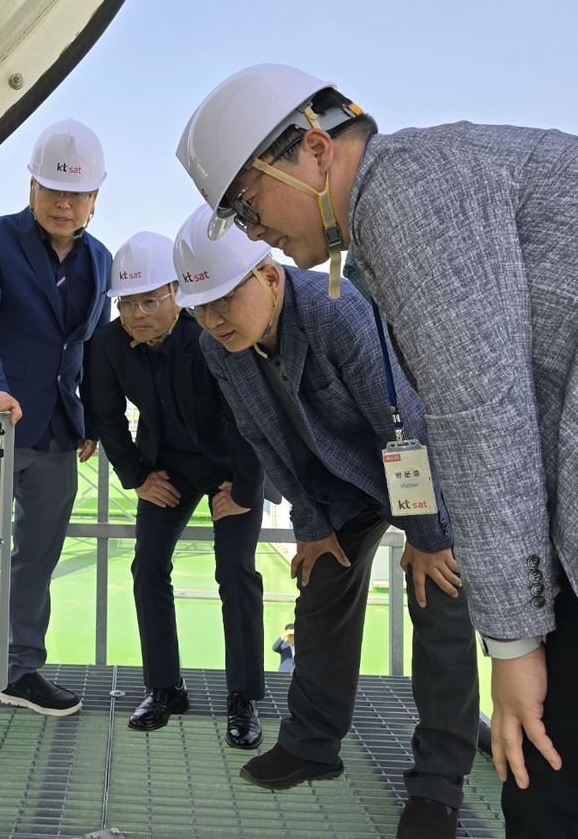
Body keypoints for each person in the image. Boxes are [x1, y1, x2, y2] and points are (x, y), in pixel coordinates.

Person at [176, 64, 578, 838]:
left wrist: (512, 639)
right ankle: (317, 739)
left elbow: (467, 414)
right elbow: (276, 438)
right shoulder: (425, 184)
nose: (253, 231)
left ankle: (439, 777)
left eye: (248, 207)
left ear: (315, 152)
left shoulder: (406, 197)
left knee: (565, 799)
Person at [174, 206, 480, 839]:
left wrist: (424, 540)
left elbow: (401, 430)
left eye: (224, 299)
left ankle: (438, 783)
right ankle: (313, 744)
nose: (211, 319)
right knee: (320, 594)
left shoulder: (337, 311)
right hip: (334, 483)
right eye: (198, 306)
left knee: (438, 598)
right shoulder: (217, 343)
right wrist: (310, 525)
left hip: (413, 463)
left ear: (270, 277)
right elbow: (262, 439)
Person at [0, 120, 114, 763]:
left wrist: (93, 419)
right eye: (52, 191)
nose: (63, 205)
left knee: (35, 558)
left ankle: (18, 671)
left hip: (56, 431)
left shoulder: (100, 260)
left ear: (96, 197)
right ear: (33, 185)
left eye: (77, 195)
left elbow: (91, 347)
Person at [90, 231, 267, 749]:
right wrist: (138, 478)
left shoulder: (210, 334)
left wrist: (245, 488)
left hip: (230, 467)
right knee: (147, 566)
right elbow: (105, 416)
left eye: (150, 299)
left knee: (235, 571)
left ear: (175, 294)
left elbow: (248, 414)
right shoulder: (107, 345)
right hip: (165, 468)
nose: (138, 312)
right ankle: (165, 688)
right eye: (128, 302)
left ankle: (244, 697)